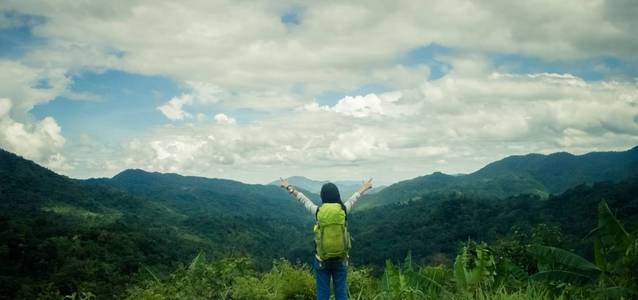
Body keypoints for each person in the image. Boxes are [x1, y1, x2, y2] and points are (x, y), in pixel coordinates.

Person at [280, 177, 373, 300]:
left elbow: (303, 200)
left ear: (323, 196)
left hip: (321, 260)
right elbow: (354, 198)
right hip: (341, 259)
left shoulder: (318, 212)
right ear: (337, 195)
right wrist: (364, 188)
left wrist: (289, 187)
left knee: (322, 292)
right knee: (341, 291)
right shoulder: (343, 210)